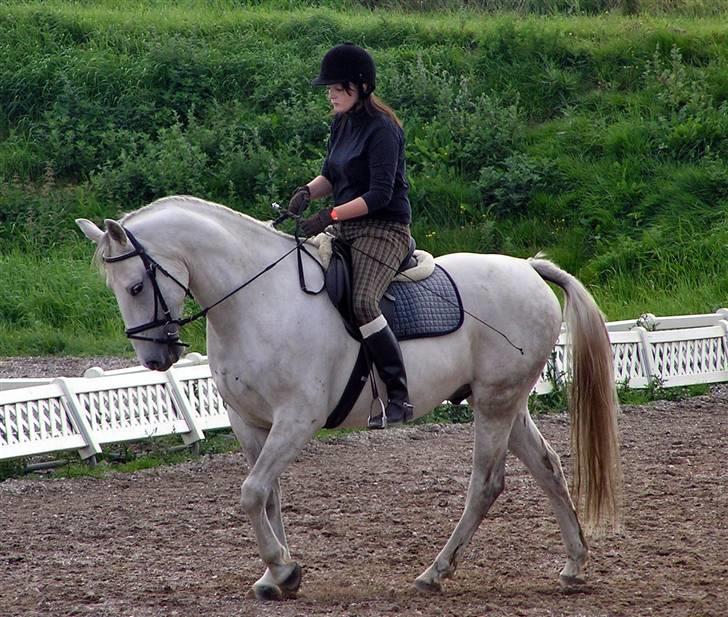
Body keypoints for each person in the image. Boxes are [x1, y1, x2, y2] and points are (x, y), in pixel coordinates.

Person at [287, 42, 414, 429]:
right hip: (347, 226)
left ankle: (399, 395)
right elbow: (332, 175)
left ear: (359, 86)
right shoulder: (342, 122)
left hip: (384, 228)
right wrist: (308, 192)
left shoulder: (384, 130)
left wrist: (329, 215)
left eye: (337, 88)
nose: (330, 94)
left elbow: (378, 195)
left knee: (361, 301)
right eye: (329, 88)